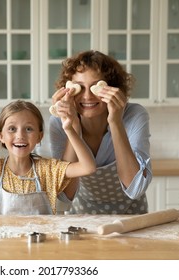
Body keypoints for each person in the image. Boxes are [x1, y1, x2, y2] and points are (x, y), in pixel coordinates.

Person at [0, 98, 96, 215]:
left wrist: (69, 129)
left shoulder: (48, 170)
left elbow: (88, 167)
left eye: (28, 129)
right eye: (12, 129)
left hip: (38, 249)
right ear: (1, 136)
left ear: (39, 136)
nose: (20, 135)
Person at [49, 50, 152, 215]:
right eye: (79, 88)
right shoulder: (58, 122)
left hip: (131, 216)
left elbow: (135, 188)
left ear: (114, 88)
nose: (87, 96)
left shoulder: (134, 115)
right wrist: (73, 128)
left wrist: (116, 121)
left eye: (96, 87)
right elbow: (65, 195)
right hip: (82, 216)